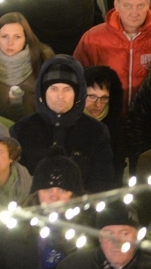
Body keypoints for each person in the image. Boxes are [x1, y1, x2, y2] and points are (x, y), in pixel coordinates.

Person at [9, 54, 114, 193]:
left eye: (67, 89)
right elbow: (16, 183)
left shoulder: (95, 131)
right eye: (54, 89)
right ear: (42, 92)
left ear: (78, 94)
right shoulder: (22, 130)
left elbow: (102, 183)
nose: (60, 96)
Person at [48, 203, 151, 269]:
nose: (116, 242)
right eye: (109, 234)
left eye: (124, 233)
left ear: (137, 237)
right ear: (99, 237)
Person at [73, 0, 151, 104]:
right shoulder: (93, 38)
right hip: (107, 115)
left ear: (148, 3)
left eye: (140, 5)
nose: (134, 12)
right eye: (128, 6)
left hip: (146, 118)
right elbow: (78, 79)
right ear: (117, 4)